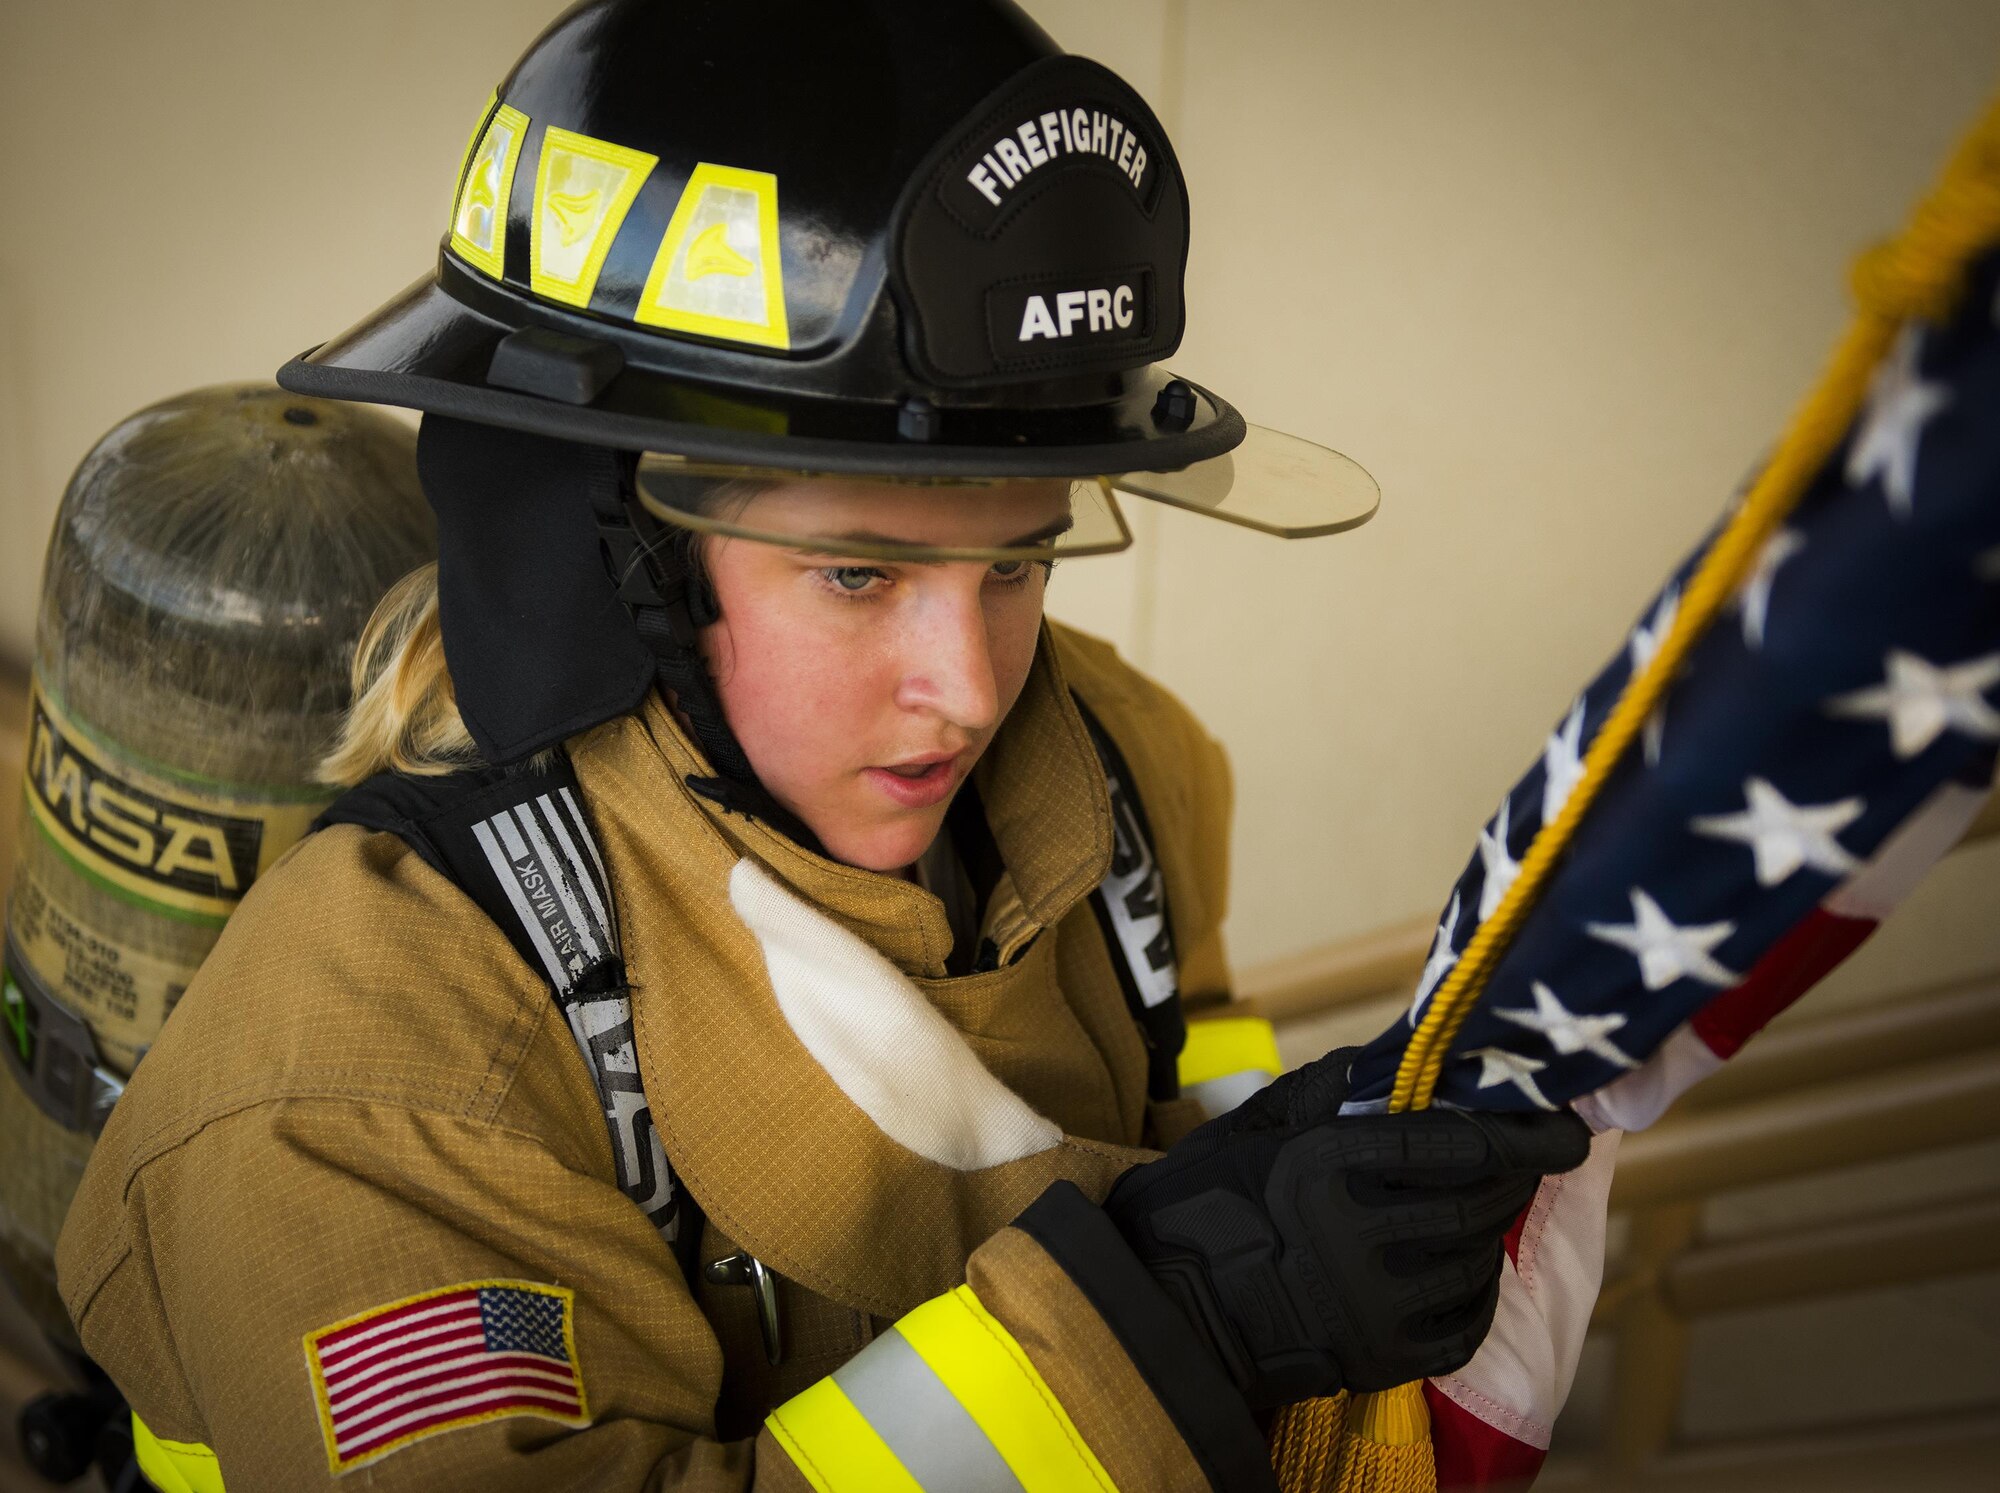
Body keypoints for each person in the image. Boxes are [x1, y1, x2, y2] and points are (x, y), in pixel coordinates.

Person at [55, 3, 1589, 1489]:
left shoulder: (1119, 763)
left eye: (1017, 561)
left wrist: (1279, 1167)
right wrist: (1174, 1322)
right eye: (860, 574)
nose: (971, 688)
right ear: (611, 566)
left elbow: (1170, 1070)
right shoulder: (367, 1089)